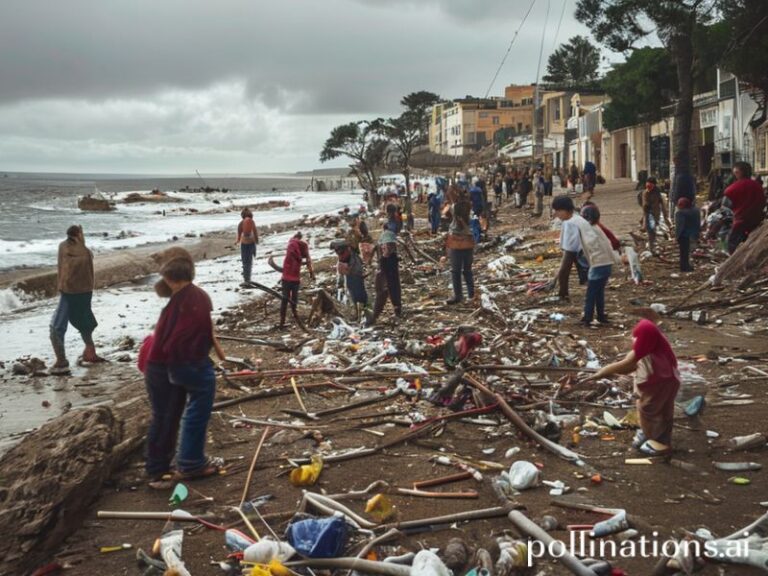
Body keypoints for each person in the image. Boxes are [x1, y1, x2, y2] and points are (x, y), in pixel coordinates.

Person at [143, 254, 227, 485]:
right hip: (174, 364)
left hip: (164, 364)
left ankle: (163, 466)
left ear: (170, 279)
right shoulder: (193, 298)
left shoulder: (183, 300)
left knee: (168, 417)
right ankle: (182, 464)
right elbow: (180, 340)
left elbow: (186, 336)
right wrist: (196, 365)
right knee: (180, 414)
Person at [583, 320, 680, 456]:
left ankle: (658, 442)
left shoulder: (651, 346)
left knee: (651, 410)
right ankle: (654, 437)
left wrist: (601, 373)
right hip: (661, 379)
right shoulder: (653, 342)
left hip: (661, 381)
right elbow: (630, 362)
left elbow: (628, 363)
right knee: (656, 411)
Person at [50, 225, 102, 374]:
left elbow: (64, 270)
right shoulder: (85, 252)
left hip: (69, 291)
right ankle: (88, 351)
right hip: (83, 291)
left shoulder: (63, 247)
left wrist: (62, 287)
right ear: (79, 234)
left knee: (57, 326)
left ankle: (62, 360)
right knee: (85, 321)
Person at [566, 203, 622, 325]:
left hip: (598, 264)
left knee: (591, 293)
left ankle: (588, 317)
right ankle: (601, 316)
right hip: (605, 263)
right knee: (598, 292)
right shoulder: (597, 227)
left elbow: (589, 246)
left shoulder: (590, 230)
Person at [723, 161, 766, 254]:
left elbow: (726, 206)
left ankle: (733, 264)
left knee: (732, 244)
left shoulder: (732, 188)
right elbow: (763, 202)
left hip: (740, 221)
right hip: (756, 221)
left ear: (737, 172)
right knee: (751, 246)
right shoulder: (758, 186)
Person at [552, 196, 588, 301]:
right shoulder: (574, 218)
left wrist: (566, 253)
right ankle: (563, 293)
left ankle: (563, 294)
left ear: (565, 210)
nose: (556, 215)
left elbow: (571, 244)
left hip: (578, 250)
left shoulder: (571, 222)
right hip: (579, 249)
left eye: (558, 211)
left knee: (563, 272)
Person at [445, 191, 475, 305]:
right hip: (468, 245)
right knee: (467, 270)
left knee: (455, 271)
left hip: (455, 245)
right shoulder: (470, 214)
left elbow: (447, 211)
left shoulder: (455, 210)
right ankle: (471, 294)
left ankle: (458, 296)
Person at [280, 232, 314, 329]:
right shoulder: (303, 246)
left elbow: (295, 256)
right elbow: (308, 259)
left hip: (286, 276)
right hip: (295, 277)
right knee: (294, 299)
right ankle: (296, 318)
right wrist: (311, 272)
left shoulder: (291, 244)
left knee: (285, 299)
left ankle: (282, 322)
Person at [371, 226, 402, 324]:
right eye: (386, 246)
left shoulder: (391, 257)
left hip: (390, 279)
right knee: (387, 295)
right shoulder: (387, 257)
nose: (386, 247)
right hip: (387, 280)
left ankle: (397, 311)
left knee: (394, 295)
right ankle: (375, 316)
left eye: (389, 246)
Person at [332, 240, 368, 322]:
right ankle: (361, 313)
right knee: (355, 294)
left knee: (357, 294)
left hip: (354, 275)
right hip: (352, 275)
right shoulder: (347, 254)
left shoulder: (349, 255)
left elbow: (350, 267)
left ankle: (362, 313)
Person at [641, 177, 670, 254]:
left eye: (650, 185)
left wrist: (666, 218)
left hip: (655, 214)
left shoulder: (657, 193)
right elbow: (644, 206)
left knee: (652, 231)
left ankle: (653, 247)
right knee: (651, 231)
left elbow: (663, 206)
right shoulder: (644, 193)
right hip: (648, 214)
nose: (648, 187)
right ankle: (652, 248)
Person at [675, 197, 701, 272]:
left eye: (680, 204)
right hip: (693, 234)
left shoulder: (680, 213)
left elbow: (680, 226)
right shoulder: (696, 210)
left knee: (683, 253)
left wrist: (677, 236)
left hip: (684, 235)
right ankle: (687, 266)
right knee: (688, 252)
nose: (678, 206)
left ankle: (684, 267)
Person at [236, 207, 259, 285]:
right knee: (249, 262)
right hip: (251, 243)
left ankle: (246, 279)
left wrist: (237, 241)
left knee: (245, 262)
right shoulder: (252, 222)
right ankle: (248, 279)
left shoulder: (241, 223)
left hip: (244, 244)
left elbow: (239, 236)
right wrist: (257, 242)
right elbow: (255, 233)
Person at [670, 155, 696, 219]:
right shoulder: (687, 173)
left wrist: (674, 199)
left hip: (682, 201)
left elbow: (677, 189)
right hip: (687, 200)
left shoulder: (679, 175)